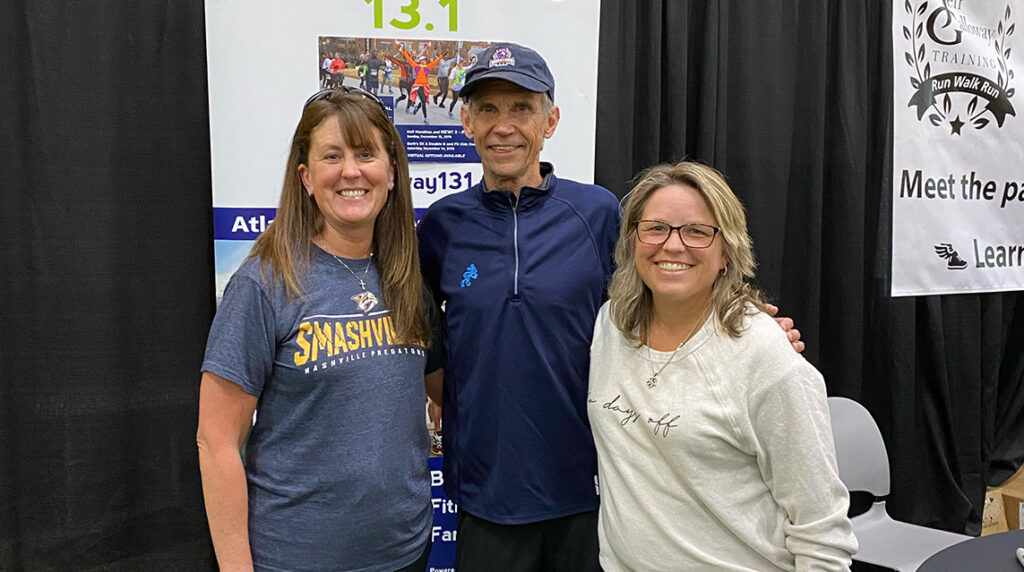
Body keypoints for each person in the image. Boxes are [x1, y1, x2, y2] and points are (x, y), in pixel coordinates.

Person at [418, 43, 804, 570]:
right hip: (486, 492)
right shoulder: (442, 225)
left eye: (521, 109)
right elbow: (429, 349)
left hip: (592, 489)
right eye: (488, 109)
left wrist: (746, 327)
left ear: (550, 120)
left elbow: (666, 296)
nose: (503, 126)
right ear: (466, 121)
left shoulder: (596, 211)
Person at [197, 87, 443, 572]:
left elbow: (446, 391)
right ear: (306, 177)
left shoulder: (408, 277)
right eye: (333, 156)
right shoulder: (264, 282)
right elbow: (216, 441)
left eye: (366, 154)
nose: (351, 171)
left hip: (406, 553)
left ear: (391, 173)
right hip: (295, 558)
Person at [588, 161, 857, 570]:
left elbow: (822, 532)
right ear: (632, 240)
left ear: (727, 253)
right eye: (656, 227)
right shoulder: (611, 325)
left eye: (696, 231)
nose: (672, 245)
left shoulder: (763, 354)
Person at [396, 41, 442, 124]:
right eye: (423, 59)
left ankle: (417, 107)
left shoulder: (428, 67)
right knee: (424, 101)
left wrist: (441, 57)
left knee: (423, 101)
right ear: (420, 61)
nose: (424, 60)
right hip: (418, 85)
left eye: (425, 60)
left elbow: (435, 62)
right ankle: (425, 118)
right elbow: (409, 59)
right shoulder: (416, 67)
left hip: (425, 86)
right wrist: (403, 51)